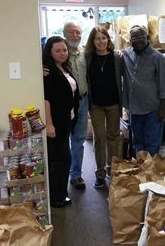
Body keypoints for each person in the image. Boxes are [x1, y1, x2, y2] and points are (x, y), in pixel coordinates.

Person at [43, 36, 79, 208]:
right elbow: (46, 100)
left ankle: (60, 193)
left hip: (67, 120)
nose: (62, 53)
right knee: (60, 160)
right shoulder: (48, 72)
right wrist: (49, 124)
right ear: (49, 52)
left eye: (64, 50)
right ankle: (56, 197)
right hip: (56, 123)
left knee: (63, 158)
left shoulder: (63, 68)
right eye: (58, 50)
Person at [84, 26, 123, 188]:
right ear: (92, 41)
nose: (101, 41)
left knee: (113, 137)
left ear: (108, 39)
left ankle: (112, 170)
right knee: (99, 138)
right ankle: (100, 173)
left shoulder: (117, 57)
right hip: (96, 105)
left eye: (104, 38)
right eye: (97, 38)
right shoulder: (87, 58)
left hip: (114, 103)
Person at [122, 25, 165, 155]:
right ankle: (142, 171)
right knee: (138, 142)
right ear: (130, 40)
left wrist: (162, 109)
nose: (137, 40)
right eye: (134, 37)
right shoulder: (126, 54)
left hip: (152, 109)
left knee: (152, 143)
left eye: (140, 36)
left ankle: (151, 171)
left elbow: (164, 85)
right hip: (134, 108)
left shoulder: (159, 58)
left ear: (147, 38)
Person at [62, 22, 89, 190]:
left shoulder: (85, 53)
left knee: (79, 140)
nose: (76, 36)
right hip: (65, 104)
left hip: (83, 101)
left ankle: (76, 175)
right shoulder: (59, 54)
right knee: (64, 140)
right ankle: (62, 175)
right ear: (65, 34)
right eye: (72, 32)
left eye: (78, 32)